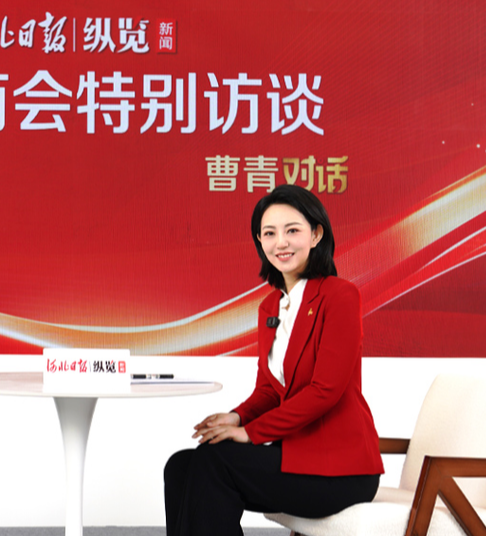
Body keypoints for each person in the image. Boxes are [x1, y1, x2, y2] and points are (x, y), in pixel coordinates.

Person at [164, 184, 383, 535]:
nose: (280, 242)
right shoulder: (270, 306)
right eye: (269, 233)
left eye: (292, 230)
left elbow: (325, 391)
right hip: (294, 458)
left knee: (214, 462)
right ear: (260, 241)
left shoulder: (340, 295)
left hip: (339, 470)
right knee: (180, 466)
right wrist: (236, 417)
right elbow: (268, 390)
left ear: (316, 235)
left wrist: (249, 433)